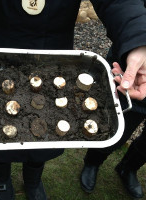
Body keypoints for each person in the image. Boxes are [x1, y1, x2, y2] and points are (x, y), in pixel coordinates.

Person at [0, 0, 146, 200]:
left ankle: (32, 181)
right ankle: (2, 178)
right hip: (1, 50)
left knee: (46, 137)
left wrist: (139, 38)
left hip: (55, 54)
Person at [80, 0, 146, 199]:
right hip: (137, 65)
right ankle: (93, 162)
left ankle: (129, 168)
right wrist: (139, 40)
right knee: (114, 124)